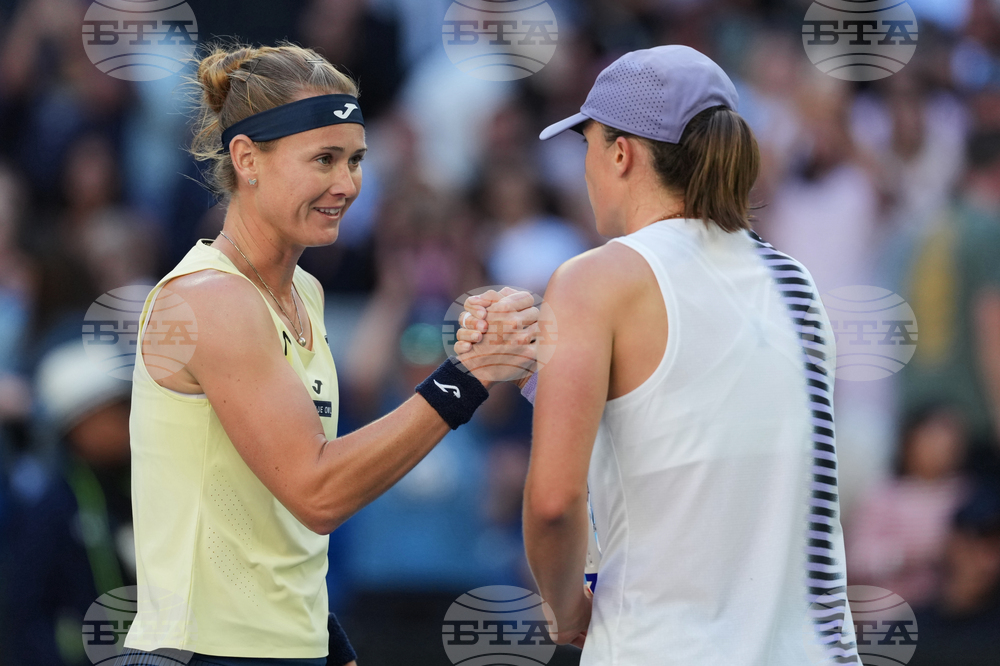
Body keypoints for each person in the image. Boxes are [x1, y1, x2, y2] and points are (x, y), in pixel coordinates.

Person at [114, 40, 538, 666]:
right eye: (324, 159)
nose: (347, 184)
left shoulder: (303, 292)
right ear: (247, 159)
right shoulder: (211, 300)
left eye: (356, 160)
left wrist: (314, 631)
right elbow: (316, 492)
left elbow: (277, 522)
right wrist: (467, 377)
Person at [457, 45, 862, 665]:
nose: (583, 167)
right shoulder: (797, 282)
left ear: (621, 154)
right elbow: (699, 423)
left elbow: (551, 502)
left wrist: (568, 614)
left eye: (586, 144)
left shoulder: (596, 281)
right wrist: (546, 375)